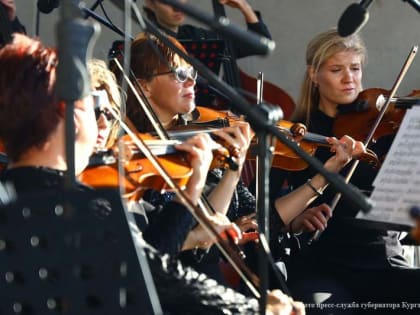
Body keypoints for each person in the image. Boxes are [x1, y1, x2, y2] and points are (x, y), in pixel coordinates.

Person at [0, 33, 306, 314]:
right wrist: (255, 309)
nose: (105, 122)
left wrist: (190, 193)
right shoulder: (84, 208)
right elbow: (158, 274)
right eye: (94, 106)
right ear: (72, 115)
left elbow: (152, 259)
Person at [124, 31, 366, 291]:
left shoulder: (206, 146)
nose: (191, 83)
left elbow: (263, 219)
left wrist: (324, 174)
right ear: (144, 86)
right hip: (171, 286)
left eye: (192, 74)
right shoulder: (139, 156)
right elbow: (164, 242)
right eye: (178, 74)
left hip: (210, 279)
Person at [271, 28, 420, 314]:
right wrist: (296, 219)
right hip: (323, 263)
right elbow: (263, 210)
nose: (349, 78)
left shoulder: (385, 127)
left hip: (382, 259)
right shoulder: (296, 135)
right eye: (336, 69)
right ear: (314, 75)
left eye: (355, 68)